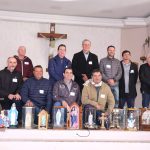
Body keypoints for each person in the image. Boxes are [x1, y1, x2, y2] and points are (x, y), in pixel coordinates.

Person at [0, 57, 23, 121]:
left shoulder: (19, 74)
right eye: (10, 62)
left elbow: (21, 86)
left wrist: (17, 93)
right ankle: (5, 123)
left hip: (14, 96)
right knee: (6, 110)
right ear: (7, 63)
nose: (12, 64)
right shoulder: (1, 73)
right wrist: (7, 94)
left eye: (14, 62)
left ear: (16, 64)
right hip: (3, 97)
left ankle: (16, 122)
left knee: (18, 101)